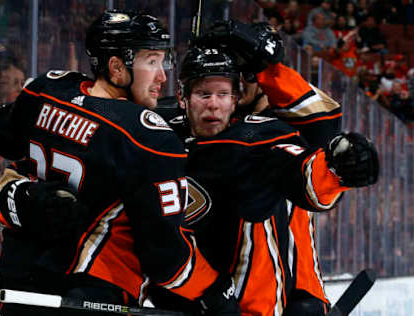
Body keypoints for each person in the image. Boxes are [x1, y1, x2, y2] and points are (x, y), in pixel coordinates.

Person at [0, 10, 239, 316]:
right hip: (93, 292)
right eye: (151, 61)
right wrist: (214, 291)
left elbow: (0, 133)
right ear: (117, 67)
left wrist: (19, 190)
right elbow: (168, 259)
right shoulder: (149, 137)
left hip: (18, 283)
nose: (162, 76)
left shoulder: (46, 89)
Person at [147, 21, 378, 316]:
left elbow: (324, 124)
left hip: (286, 286)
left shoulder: (278, 126)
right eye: (206, 91)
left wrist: (268, 67)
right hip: (202, 285)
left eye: (246, 72)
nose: (216, 100)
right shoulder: (192, 116)